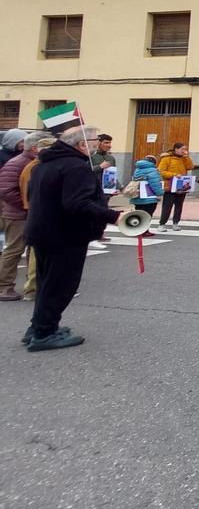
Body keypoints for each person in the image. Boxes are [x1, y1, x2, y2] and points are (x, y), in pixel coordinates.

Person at [23, 126, 122, 351]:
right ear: (82, 144)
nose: (98, 143)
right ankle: (44, 333)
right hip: (65, 234)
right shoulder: (76, 167)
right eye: (95, 139)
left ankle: (38, 327)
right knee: (60, 285)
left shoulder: (43, 164)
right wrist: (113, 216)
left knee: (46, 283)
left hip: (43, 230)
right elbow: (77, 203)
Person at [0, 131, 39, 301]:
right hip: (17, 215)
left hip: (27, 214)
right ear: (35, 148)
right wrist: (27, 205)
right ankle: (4, 287)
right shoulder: (16, 163)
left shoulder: (30, 162)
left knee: (32, 251)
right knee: (14, 250)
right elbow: (6, 190)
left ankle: (31, 286)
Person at [17, 134, 55, 300]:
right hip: (38, 215)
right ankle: (32, 289)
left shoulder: (37, 166)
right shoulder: (35, 167)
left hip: (37, 214)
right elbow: (31, 193)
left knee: (37, 253)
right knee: (35, 255)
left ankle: (36, 287)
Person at [157, 142, 194, 231]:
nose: (184, 151)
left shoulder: (184, 159)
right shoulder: (166, 158)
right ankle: (162, 224)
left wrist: (187, 157)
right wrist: (174, 175)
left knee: (179, 205)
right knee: (167, 206)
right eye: (183, 149)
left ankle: (176, 223)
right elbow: (161, 171)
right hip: (170, 185)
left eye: (185, 149)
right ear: (176, 149)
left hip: (181, 185)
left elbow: (190, 167)